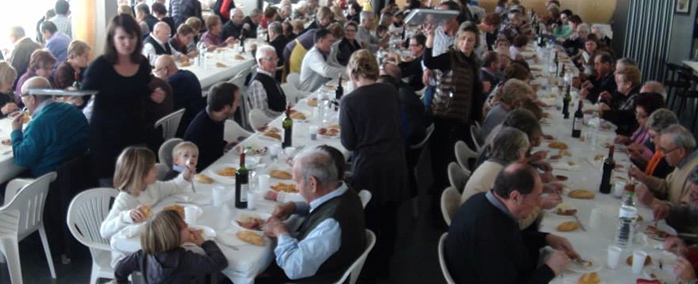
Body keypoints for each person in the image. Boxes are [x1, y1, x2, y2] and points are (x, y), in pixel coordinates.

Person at [445, 163, 578, 284]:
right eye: (537, 197)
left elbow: (512, 238)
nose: (539, 203)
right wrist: (550, 270)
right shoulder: (487, 231)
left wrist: (547, 238)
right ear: (515, 197)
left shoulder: (486, 202)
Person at [339, 50, 408, 282]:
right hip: (395, 161)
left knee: (371, 219)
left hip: (370, 167)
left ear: (353, 72)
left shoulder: (349, 101)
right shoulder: (389, 91)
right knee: (390, 217)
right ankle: (386, 264)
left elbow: (348, 142)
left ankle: (369, 269)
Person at [82, 14, 166, 187]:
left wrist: (153, 93)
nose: (127, 43)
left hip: (135, 133)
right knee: (112, 192)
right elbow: (83, 97)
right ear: (112, 39)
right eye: (122, 38)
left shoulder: (141, 63)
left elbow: (141, 89)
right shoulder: (100, 66)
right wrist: (75, 99)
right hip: (106, 139)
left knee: (138, 187)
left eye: (131, 37)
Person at [259, 148, 365, 283]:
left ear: (312, 183)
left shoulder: (331, 225)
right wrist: (294, 206)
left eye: (297, 182)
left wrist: (281, 231)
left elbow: (293, 268)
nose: (296, 188)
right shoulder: (343, 190)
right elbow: (324, 205)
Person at [100, 147, 195, 266]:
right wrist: (126, 217)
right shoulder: (125, 199)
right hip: (129, 254)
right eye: (152, 167)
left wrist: (185, 176)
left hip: (153, 244)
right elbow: (104, 231)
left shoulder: (152, 187)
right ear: (141, 174)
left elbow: (173, 187)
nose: (156, 170)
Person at [424, 21, 483, 197]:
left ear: (475, 43)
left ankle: (448, 193)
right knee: (440, 161)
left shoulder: (474, 62)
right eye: (463, 39)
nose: (466, 43)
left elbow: (475, 92)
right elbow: (428, 61)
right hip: (443, 116)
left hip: (463, 119)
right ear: (457, 40)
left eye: (470, 40)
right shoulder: (449, 57)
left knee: (453, 160)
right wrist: (430, 37)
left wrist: (477, 118)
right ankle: (437, 200)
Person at [114, 210, 228, 284]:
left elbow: (119, 269)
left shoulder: (142, 254)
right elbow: (220, 262)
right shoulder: (184, 259)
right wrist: (205, 243)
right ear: (174, 235)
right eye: (184, 225)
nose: (187, 225)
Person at [9, 77, 88, 177]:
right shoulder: (72, 110)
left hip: (51, 182)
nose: (22, 101)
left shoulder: (39, 124)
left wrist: (16, 132)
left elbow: (21, 159)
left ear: (32, 98)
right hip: (81, 174)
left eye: (22, 97)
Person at [632, 124, 698, 211]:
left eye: (665, 150)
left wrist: (652, 202)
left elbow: (690, 213)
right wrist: (643, 178)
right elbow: (667, 186)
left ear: (681, 151)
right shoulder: (682, 161)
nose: (662, 155)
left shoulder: (694, 169)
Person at [183, 82, 240, 171]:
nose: (238, 105)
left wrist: (225, 145)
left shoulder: (219, 116)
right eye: (237, 102)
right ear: (226, 108)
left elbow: (213, 145)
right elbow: (200, 163)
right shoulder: (199, 130)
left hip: (216, 164)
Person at [153, 55, 204, 137]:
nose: (156, 74)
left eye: (157, 71)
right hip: (197, 120)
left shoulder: (170, 83)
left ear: (165, 70)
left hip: (183, 127)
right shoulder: (189, 74)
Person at [629, 108, 677, 180]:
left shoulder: (671, 156)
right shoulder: (659, 152)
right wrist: (639, 159)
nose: (651, 140)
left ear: (665, 134)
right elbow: (655, 172)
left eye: (653, 136)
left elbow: (662, 183)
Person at [598, 66, 642, 135]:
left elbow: (625, 117)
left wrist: (607, 112)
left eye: (619, 82)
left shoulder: (635, 97)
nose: (617, 85)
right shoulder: (626, 94)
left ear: (628, 84)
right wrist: (610, 100)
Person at [249, 45, 287, 119]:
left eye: (276, 59)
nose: (275, 63)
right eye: (270, 59)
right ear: (260, 61)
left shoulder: (270, 76)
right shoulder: (258, 83)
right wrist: (284, 115)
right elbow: (262, 115)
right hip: (272, 124)